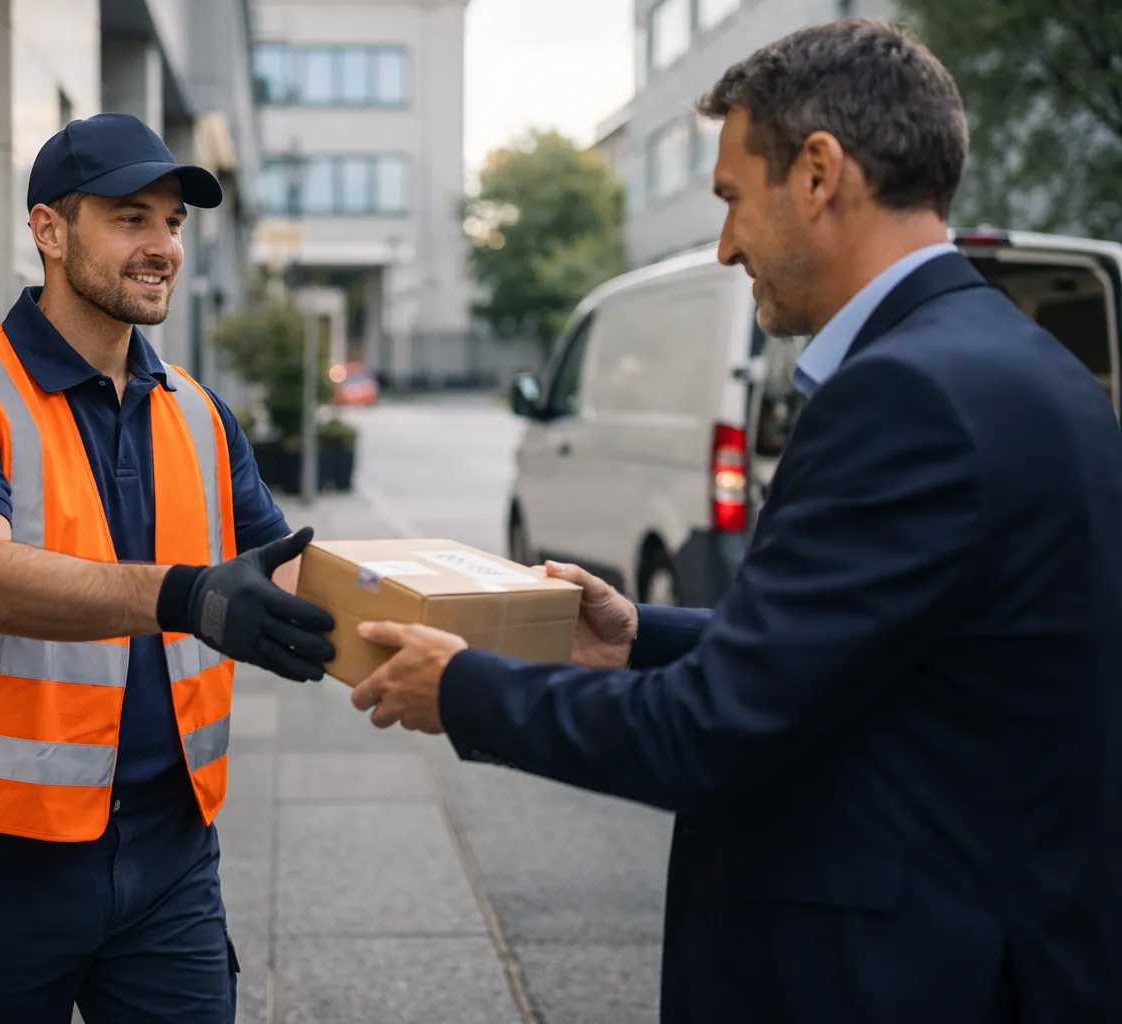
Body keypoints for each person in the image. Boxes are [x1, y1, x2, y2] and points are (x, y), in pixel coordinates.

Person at [346, 19, 1122, 1023]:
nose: (723, 245)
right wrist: (640, 639)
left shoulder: (906, 395)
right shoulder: (1032, 364)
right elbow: (878, 654)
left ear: (816, 173)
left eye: (729, 199)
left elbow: (707, 734)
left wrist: (464, 689)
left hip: (905, 971)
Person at [0, 112, 335, 1023]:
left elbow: (283, 573)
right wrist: (186, 595)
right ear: (49, 230)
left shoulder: (197, 412)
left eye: (172, 222)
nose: (162, 244)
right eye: (131, 218)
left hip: (171, 852)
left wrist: (464, 637)